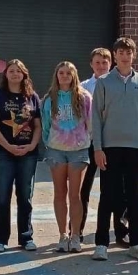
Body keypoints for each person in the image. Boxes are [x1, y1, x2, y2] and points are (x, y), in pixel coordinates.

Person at [90, 37, 138, 261]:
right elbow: (95, 117)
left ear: (133, 55)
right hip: (110, 148)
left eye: (128, 53)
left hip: (135, 147)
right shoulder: (104, 82)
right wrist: (98, 147)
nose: (125, 56)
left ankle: (136, 243)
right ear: (114, 56)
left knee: (133, 197)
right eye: (121, 53)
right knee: (107, 195)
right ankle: (101, 244)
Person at [0, 59, 42, 252]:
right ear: (5, 74)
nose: (15, 74)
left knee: (25, 196)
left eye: (18, 71)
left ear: (24, 74)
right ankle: (0, 239)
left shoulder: (32, 97)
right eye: (11, 71)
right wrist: (8, 146)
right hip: (3, 153)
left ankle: (26, 237)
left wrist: (32, 145)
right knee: (3, 196)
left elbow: (37, 126)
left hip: (28, 154)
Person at [79, 47, 128, 245]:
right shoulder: (82, 87)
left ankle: (120, 231)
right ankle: (77, 230)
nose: (101, 66)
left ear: (111, 63)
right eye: (97, 62)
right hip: (88, 144)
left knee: (118, 190)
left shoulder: (118, 85)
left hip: (112, 144)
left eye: (105, 62)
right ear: (91, 64)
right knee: (84, 189)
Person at [42, 61, 92, 253]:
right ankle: (63, 235)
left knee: (75, 194)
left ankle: (76, 235)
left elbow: (91, 122)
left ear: (74, 76)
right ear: (56, 76)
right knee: (59, 193)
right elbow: (46, 124)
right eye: (61, 73)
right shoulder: (49, 99)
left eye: (68, 73)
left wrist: (84, 140)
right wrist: (50, 142)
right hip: (56, 150)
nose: (64, 76)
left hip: (78, 150)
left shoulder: (84, 97)